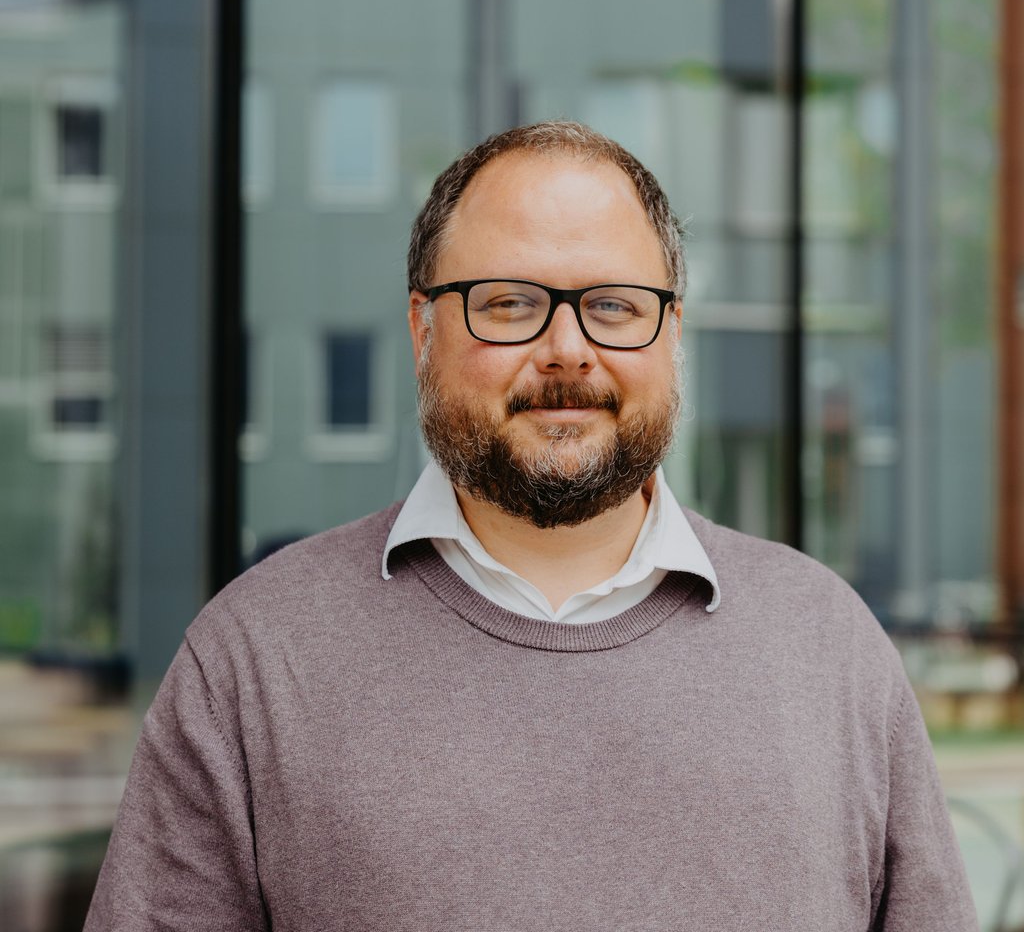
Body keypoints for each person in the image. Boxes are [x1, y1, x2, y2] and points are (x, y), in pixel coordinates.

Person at [85, 121, 978, 931]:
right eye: (509, 303)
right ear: (421, 328)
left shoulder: (829, 645)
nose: (567, 349)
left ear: (673, 335)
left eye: (615, 305)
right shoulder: (251, 659)